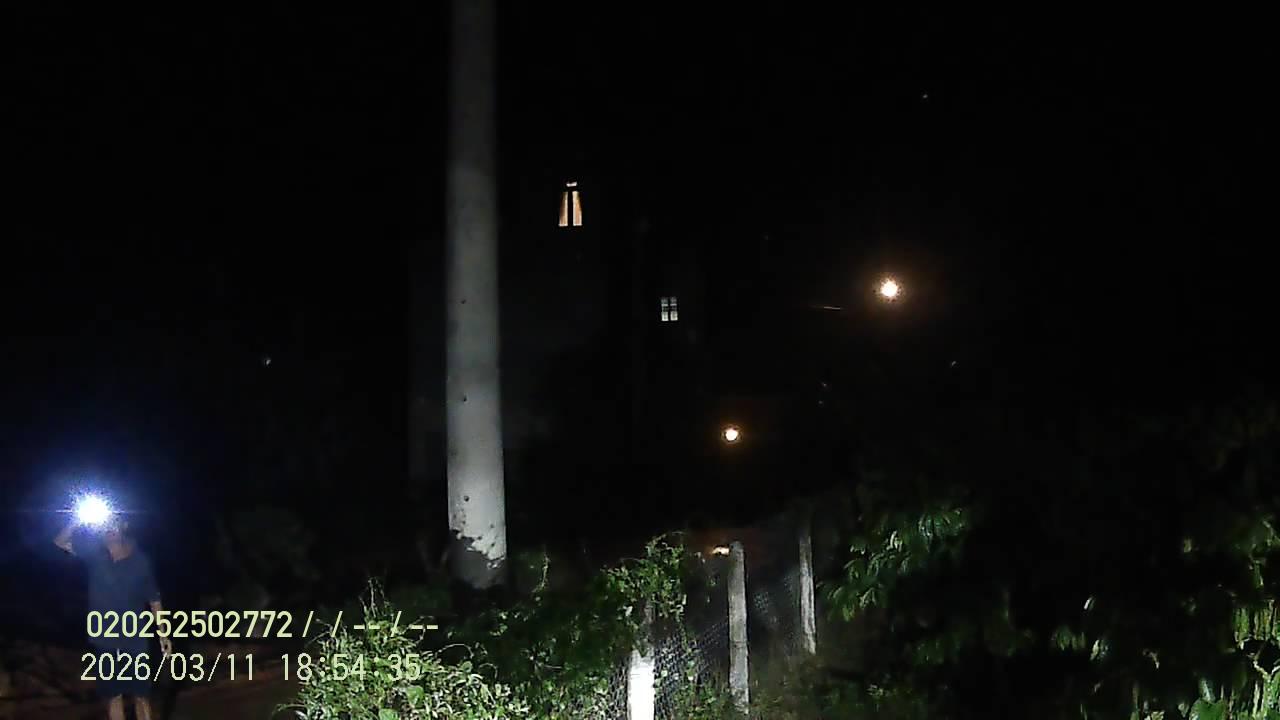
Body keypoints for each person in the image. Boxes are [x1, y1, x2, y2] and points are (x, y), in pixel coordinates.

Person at [55, 515, 172, 720]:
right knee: (113, 696)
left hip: (134, 638)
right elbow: (60, 542)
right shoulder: (94, 554)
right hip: (105, 638)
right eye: (106, 525)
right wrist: (77, 520)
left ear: (123, 526)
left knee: (141, 695)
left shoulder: (140, 561)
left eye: (114, 524)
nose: (109, 529)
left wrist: (164, 634)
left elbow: (154, 599)